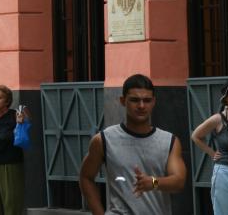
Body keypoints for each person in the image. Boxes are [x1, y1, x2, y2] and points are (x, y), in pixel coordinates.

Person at [79, 74, 187, 215]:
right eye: (135, 100)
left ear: (153, 102)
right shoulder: (104, 140)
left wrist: (153, 182)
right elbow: (86, 177)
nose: (141, 106)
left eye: (146, 100)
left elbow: (179, 181)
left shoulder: (169, 141)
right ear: (123, 101)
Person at [0, 85, 27, 215]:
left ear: (7, 101)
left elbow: (10, 137)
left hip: (10, 164)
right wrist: (3, 136)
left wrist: (15, 129)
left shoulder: (14, 116)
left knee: (11, 204)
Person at [191, 82, 228, 214]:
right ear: (226, 98)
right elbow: (196, 136)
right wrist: (211, 153)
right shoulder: (218, 119)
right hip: (225, 172)